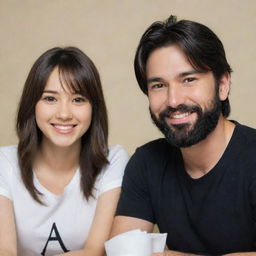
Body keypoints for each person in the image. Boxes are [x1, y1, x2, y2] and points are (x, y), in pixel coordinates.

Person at [111, 15, 256, 256]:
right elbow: (123, 252)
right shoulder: (146, 163)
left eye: (188, 80)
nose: (174, 100)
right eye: (158, 85)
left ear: (223, 84)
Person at [0, 47, 129, 256]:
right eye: (50, 98)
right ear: (32, 104)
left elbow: (95, 252)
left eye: (78, 99)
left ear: (94, 108)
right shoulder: (4, 162)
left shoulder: (113, 161)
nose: (64, 114)